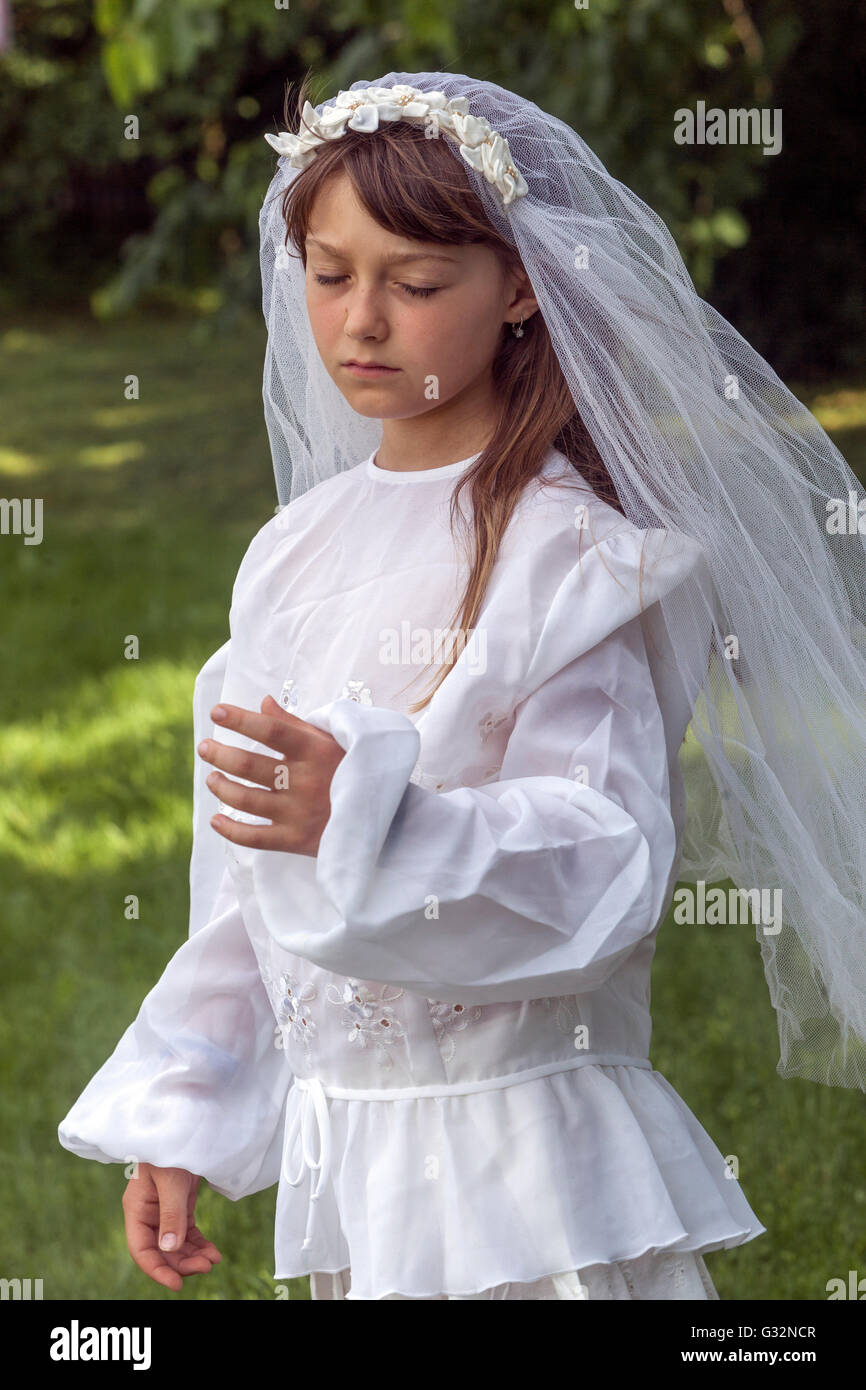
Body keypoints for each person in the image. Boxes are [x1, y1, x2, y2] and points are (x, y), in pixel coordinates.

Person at [59, 70, 866, 1301]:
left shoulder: (567, 558)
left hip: (522, 1167)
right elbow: (247, 885)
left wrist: (382, 821)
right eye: (328, 275)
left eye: (416, 282)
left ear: (521, 288)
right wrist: (180, 1109)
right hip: (361, 1165)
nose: (360, 322)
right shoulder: (290, 559)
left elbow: (601, 860)